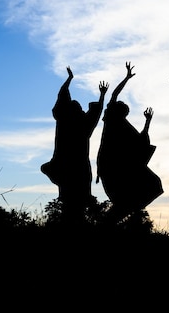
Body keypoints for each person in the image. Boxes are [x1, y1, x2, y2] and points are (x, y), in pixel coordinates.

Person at [96, 62, 163, 223]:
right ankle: (111, 221)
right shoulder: (112, 122)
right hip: (114, 168)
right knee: (142, 190)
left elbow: (141, 142)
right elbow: (114, 95)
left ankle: (119, 217)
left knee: (152, 185)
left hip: (123, 168)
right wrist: (126, 78)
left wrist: (147, 122)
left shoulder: (124, 126)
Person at [41, 66, 108, 225]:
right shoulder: (82, 124)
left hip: (67, 166)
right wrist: (102, 95)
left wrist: (69, 79)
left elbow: (62, 95)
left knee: (70, 203)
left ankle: (71, 225)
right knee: (76, 204)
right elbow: (96, 112)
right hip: (77, 167)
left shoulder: (64, 119)